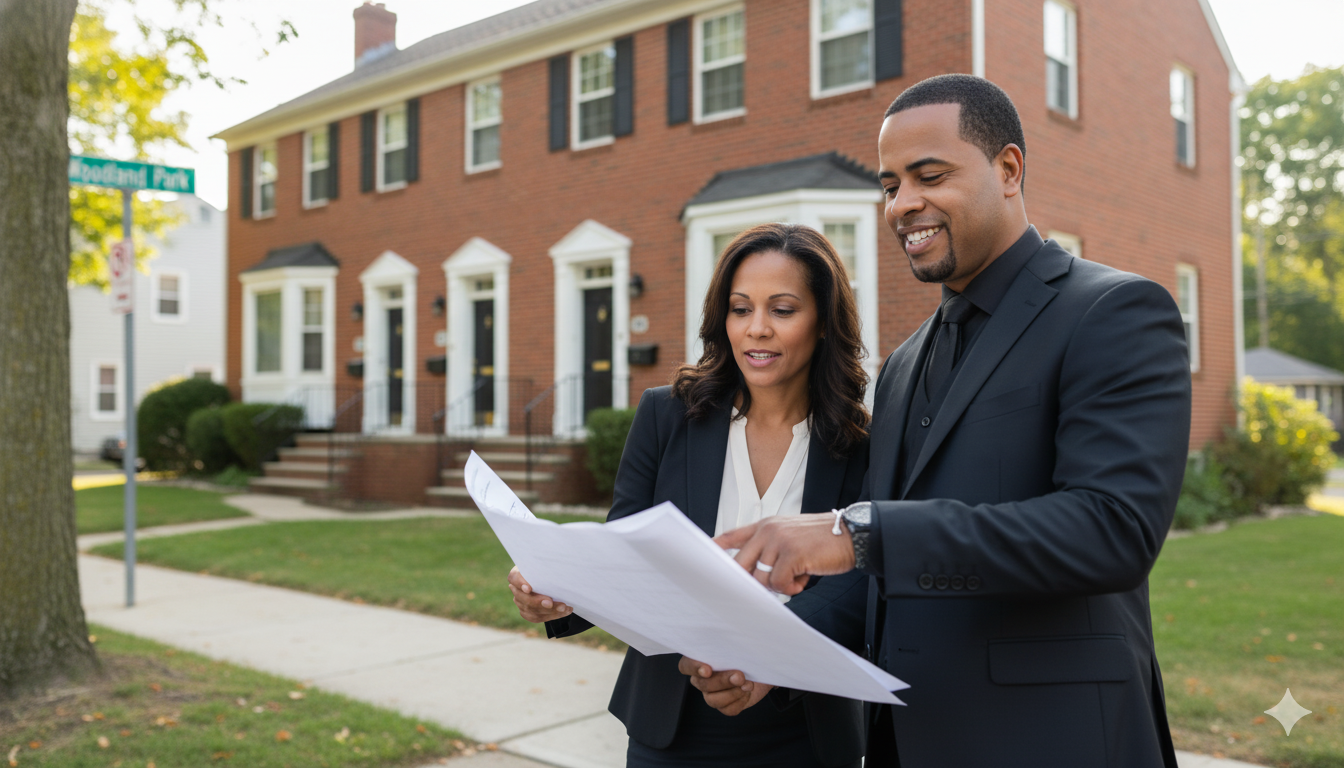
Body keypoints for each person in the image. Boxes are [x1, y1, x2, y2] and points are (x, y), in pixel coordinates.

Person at [704, 74, 1192, 767]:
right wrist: (770, 655)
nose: (903, 204)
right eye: (889, 184)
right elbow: (883, 577)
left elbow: (1111, 529)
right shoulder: (902, 366)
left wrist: (857, 531)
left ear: (1009, 169)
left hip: (1059, 741)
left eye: (928, 176)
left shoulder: (1112, 312)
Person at [508, 222, 872, 768]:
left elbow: (866, 582)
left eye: (783, 310)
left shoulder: (863, 442)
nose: (757, 330)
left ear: (823, 321)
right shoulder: (667, 415)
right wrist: (558, 592)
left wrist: (769, 662)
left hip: (805, 730)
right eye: (741, 308)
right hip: (672, 723)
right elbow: (623, 552)